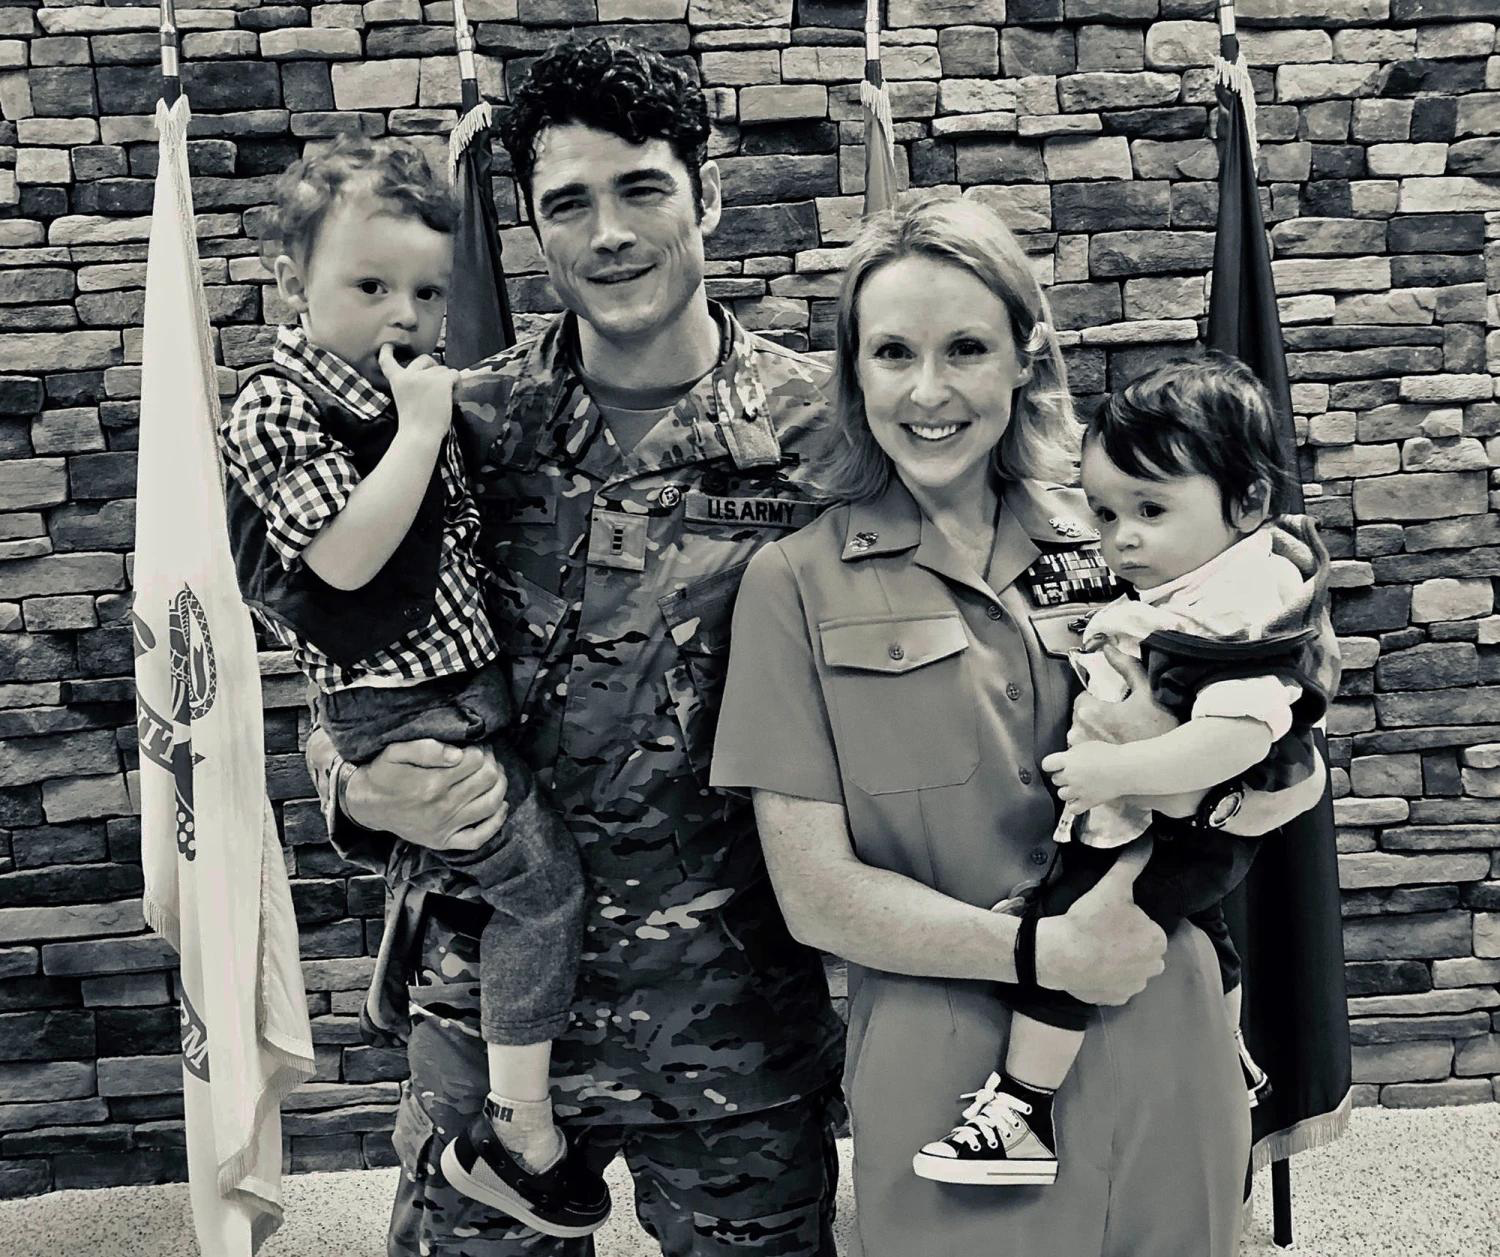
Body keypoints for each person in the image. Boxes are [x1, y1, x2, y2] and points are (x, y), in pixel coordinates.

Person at [301, 38, 850, 1256]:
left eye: (641, 188)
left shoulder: (829, 435)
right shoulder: (453, 426)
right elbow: (337, 674)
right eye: (567, 203)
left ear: (708, 193)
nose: (608, 234)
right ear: (533, 229)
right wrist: (356, 789)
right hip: (485, 1018)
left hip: (732, 1025)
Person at [711, 195, 1251, 1256]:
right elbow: (814, 894)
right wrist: (1046, 950)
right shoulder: (793, 584)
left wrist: (1284, 775)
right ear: (853, 372)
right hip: (954, 1074)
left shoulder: (1127, 541)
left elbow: (1262, 724)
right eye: (893, 353)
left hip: (1166, 1020)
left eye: (965, 348)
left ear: (1024, 358)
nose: (929, 391)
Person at [218, 135, 608, 1237]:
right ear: (291, 285)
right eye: (372, 287)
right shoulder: (288, 406)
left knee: (525, 884)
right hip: (407, 707)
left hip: (461, 696)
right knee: (540, 889)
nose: (408, 315)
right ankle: (515, 1130)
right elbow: (343, 561)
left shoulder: (424, 394)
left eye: (430, 293)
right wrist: (352, 781)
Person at [912, 354, 1341, 1186]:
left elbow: (1238, 740)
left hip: (1184, 824)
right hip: (1176, 823)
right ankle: (1231, 1054)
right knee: (1208, 930)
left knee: (1077, 931)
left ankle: (1024, 1109)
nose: (1122, 539)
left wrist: (1116, 769)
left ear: (1249, 502)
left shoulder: (1240, 605)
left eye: (1151, 509)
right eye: (1105, 513)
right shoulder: (1196, 576)